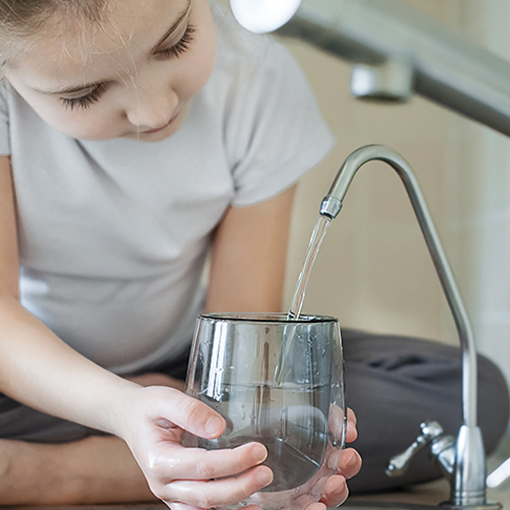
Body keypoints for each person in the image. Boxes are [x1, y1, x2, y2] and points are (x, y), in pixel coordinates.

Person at [0, 0, 507, 507]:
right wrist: (118, 403)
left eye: (175, 43)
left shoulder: (258, 79)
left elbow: (245, 352)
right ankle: (212, 461)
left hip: (186, 366)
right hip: (32, 377)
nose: (154, 110)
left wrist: (205, 405)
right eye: (84, 93)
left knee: (468, 393)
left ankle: (51, 472)